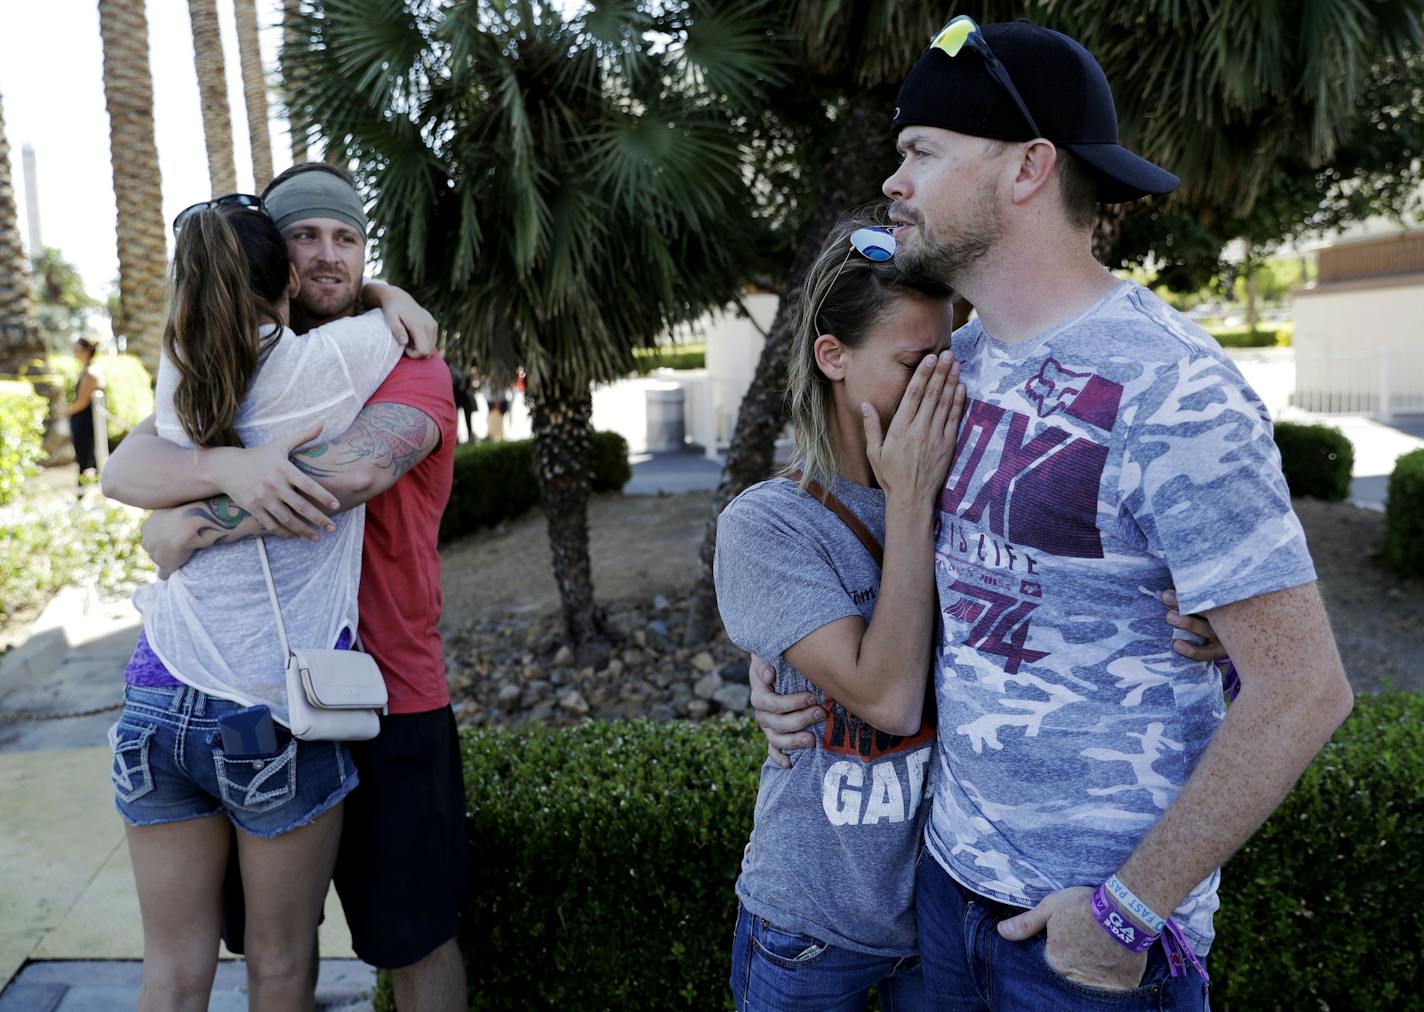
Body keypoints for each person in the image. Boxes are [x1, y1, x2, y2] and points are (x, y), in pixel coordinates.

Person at [758, 16, 1353, 1010]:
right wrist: (781, 665)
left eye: (921, 152)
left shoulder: (1174, 389)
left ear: (1029, 166)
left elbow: (1302, 688)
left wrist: (1124, 913)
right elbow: (926, 568)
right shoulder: (955, 367)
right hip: (944, 895)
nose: (893, 181)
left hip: (1085, 949)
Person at [723, 212, 1230, 1012]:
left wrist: (1205, 630)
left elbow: (1076, 602)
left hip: (941, 920)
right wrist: (911, 499)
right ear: (834, 358)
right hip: (813, 928)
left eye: (952, 357)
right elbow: (886, 699)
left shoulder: (974, 484)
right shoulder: (769, 523)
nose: (944, 383)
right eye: (915, 362)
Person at [103, 163, 468, 1012]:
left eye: (350, 240)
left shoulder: (407, 364)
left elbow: (349, 473)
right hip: (263, 701)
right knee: (274, 958)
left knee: (414, 942)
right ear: (270, 253)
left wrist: (187, 523)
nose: (330, 256)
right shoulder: (229, 368)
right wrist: (223, 467)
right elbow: (127, 461)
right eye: (306, 235)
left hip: (389, 694)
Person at [65, 336, 105, 480]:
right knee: (88, 459)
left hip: (84, 422)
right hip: (85, 421)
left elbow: (81, 402)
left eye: (77, 349)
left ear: (87, 351)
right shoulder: (88, 370)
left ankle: (82, 495)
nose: (75, 352)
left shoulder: (90, 373)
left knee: (85, 461)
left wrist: (63, 412)